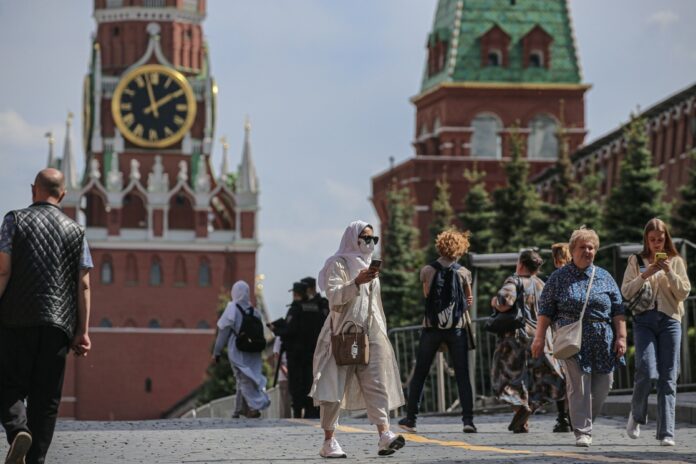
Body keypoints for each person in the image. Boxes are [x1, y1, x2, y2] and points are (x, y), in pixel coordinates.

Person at [0, 168, 92, 464]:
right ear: (63, 195)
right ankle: (35, 459)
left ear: (33, 190)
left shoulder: (14, 220)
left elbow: (3, 270)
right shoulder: (77, 231)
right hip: (59, 325)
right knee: (47, 399)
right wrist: (83, 331)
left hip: (15, 319)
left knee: (8, 383)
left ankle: (17, 432)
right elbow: (84, 283)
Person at [310, 221, 405, 458]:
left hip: (370, 334)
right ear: (354, 239)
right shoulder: (339, 264)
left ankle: (385, 435)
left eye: (374, 239)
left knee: (377, 384)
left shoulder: (370, 269)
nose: (370, 243)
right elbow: (333, 297)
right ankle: (329, 440)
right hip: (341, 334)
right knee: (333, 388)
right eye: (366, 238)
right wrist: (356, 283)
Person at [533, 227, 627, 447]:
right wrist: (539, 338)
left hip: (603, 338)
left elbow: (618, 310)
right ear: (573, 250)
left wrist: (621, 337)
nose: (587, 251)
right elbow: (545, 310)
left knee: (605, 384)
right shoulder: (558, 278)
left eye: (591, 247)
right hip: (572, 339)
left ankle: (585, 421)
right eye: (582, 247)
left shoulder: (604, 276)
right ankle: (582, 431)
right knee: (578, 386)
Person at [398, 229, 477, 434]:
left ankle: (411, 419)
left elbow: (427, 295)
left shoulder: (427, 270)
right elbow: (468, 301)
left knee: (421, 373)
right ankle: (468, 421)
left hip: (431, 328)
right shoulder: (464, 272)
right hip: (457, 329)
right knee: (462, 375)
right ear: (460, 248)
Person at [623, 218, 690, 446]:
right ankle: (637, 414)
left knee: (668, 377)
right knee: (646, 369)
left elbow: (683, 293)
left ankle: (666, 433)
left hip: (670, 320)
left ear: (666, 238)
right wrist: (645, 274)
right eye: (652, 240)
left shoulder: (676, 261)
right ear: (646, 240)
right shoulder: (636, 260)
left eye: (660, 240)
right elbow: (626, 291)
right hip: (644, 321)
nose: (657, 244)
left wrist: (669, 272)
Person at [490, 249, 565, 434]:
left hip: (515, 339)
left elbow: (505, 301)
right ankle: (524, 419)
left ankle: (522, 408)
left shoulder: (514, 281)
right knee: (535, 379)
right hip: (540, 338)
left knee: (506, 378)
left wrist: (493, 302)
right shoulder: (541, 284)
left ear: (521, 264)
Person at [213, 280, 270, 419]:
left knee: (243, 379)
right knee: (246, 378)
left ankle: (254, 407)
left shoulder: (231, 309)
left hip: (238, 350)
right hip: (254, 351)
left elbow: (223, 333)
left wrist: (217, 351)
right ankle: (239, 409)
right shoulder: (254, 311)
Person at [270, 281, 324, 418]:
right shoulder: (315, 308)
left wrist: (276, 329)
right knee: (309, 382)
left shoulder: (295, 309)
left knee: (296, 385)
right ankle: (311, 410)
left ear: (295, 294)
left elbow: (289, 330)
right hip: (312, 354)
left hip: (296, 355)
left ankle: (298, 411)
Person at [550, 242, 573, 433]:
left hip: (560, 332)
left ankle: (563, 418)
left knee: (562, 376)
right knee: (576, 376)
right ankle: (573, 416)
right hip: (578, 332)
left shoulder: (556, 278)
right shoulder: (577, 275)